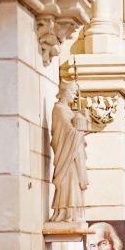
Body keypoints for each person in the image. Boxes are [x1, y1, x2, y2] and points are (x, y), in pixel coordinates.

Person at [50, 81, 89, 222]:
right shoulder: (59, 109)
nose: (75, 96)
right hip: (66, 155)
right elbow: (66, 133)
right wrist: (80, 129)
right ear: (65, 92)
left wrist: (82, 119)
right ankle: (66, 213)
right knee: (70, 181)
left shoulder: (68, 111)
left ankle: (73, 213)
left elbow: (76, 131)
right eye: (73, 92)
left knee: (75, 181)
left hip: (73, 152)